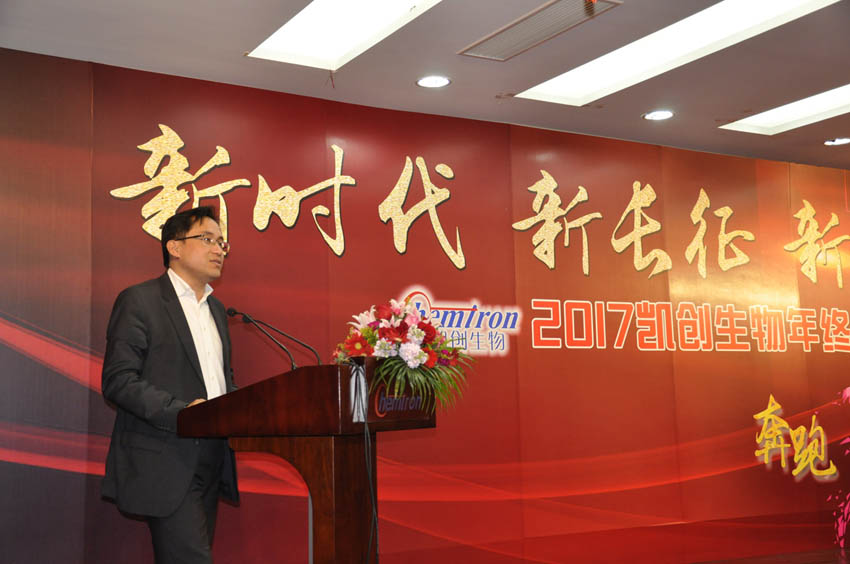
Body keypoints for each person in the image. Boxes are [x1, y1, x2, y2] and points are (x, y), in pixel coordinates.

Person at [101, 206, 238, 564]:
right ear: (174, 247)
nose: (218, 249)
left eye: (222, 243)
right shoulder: (140, 300)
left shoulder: (217, 310)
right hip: (167, 457)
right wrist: (182, 413)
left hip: (212, 457)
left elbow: (222, 381)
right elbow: (118, 380)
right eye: (207, 239)